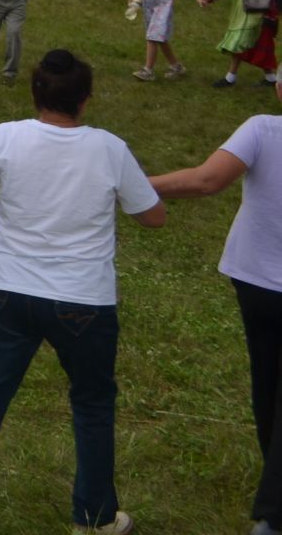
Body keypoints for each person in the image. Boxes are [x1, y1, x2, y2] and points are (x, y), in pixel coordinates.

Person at [0, 49, 165, 535]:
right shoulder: (110, 149)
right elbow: (153, 215)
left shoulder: (7, 137)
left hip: (8, 295)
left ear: (35, 94)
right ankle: (94, 517)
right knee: (93, 404)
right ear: (87, 100)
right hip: (84, 300)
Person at [148, 74, 282, 533]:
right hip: (259, 281)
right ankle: (273, 511)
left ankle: (273, 496)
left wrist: (137, 185)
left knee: (267, 386)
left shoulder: (263, 129)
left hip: (255, 282)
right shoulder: (261, 129)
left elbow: (206, 181)